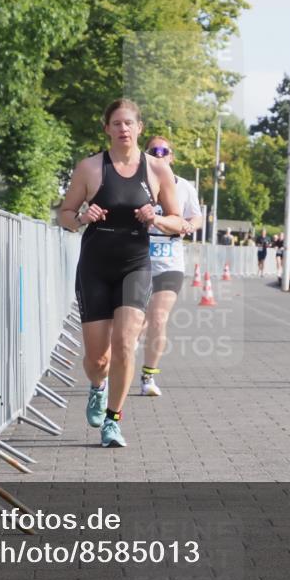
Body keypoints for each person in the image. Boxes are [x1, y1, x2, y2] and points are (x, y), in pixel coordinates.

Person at [58, 99, 183, 447]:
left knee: (125, 343)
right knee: (98, 359)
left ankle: (113, 421)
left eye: (129, 123)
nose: (123, 129)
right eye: (116, 124)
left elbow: (179, 222)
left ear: (139, 128)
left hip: (135, 264)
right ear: (107, 129)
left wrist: (155, 218)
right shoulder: (90, 168)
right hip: (95, 266)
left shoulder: (158, 170)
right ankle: (97, 386)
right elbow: (64, 215)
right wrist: (82, 218)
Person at [139, 137, 203, 398]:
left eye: (163, 150)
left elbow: (196, 216)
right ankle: (116, 369)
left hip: (170, 261)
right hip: (139, 259)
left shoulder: (185, 187)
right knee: (134, 322)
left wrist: (189, 225)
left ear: (171, 156)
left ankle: (148, 377)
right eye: (153, 150)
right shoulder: (139, 184)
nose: (158, 154)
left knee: (158, 317)